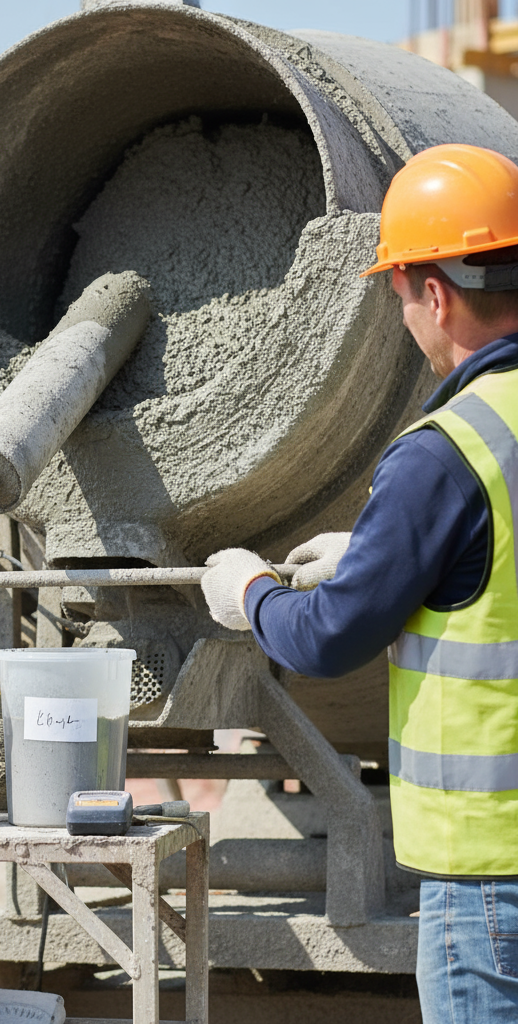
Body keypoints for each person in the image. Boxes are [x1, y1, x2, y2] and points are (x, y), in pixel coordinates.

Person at [201, 143, 518, 1023]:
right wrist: (392, 551)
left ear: (437, 292)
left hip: (489, 870)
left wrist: (253, 592)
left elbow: (329, 638)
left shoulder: (446, 452)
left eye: (399, 294)